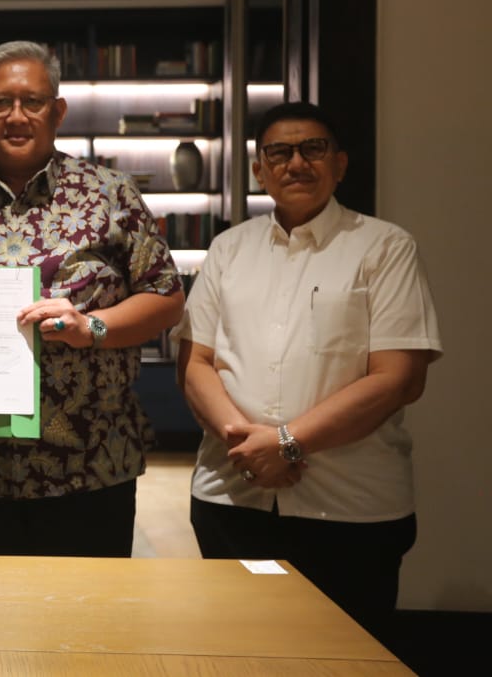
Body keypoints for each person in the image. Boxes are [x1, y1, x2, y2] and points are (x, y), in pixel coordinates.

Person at [0, 40, 184, 557]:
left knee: (89, 606)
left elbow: (166, 297)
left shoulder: (111, 193)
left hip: (92, 459)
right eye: (1, 103)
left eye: (33, 102)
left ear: (57, 111)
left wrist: (93, 327)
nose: (16, 116)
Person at [173, 101, 442, 644]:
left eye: (312, 149)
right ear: (259, 170)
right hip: (233, 497)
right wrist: (246, 445)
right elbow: (196, 361)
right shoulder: (228, 249)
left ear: (339, 164)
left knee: (347, 656)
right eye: (279, 152)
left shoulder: (385, 247)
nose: (296, 163)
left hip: (350, 508)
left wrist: (286, 443)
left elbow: (398, 377)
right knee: (240, 649)